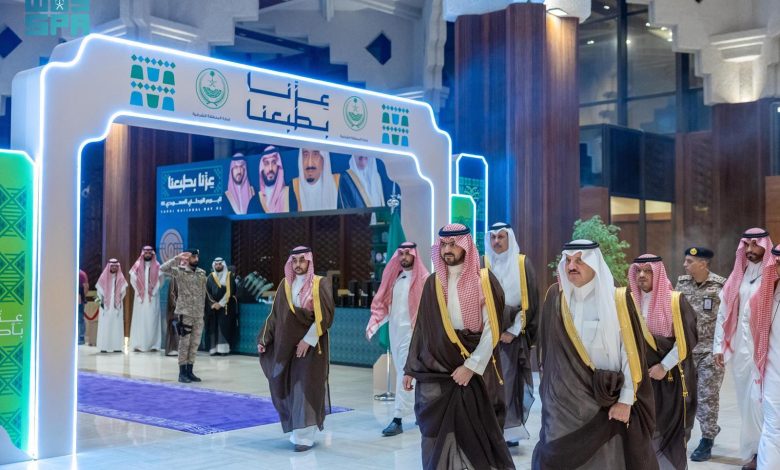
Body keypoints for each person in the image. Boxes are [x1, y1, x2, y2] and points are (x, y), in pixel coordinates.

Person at [533, 240, 656, 470]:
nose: (572, 266)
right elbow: (547, 353)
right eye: (568, 260)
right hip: (562, 405)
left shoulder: (618, 300)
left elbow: (630, 354)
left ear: (595, 263)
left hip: (604, 400)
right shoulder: (556, 298)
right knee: (555, 456)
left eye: (580, 260)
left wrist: (626, 400)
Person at [402, 224, 513, 470]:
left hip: (474, 367)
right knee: (435, 430)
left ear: (466, 245)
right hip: (439, 368)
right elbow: (423, 329)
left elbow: (492, 330)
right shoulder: (433, 283)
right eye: (443, 245)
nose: (447, 250)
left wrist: (471, 366)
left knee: (473, 431)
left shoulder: (484, 280)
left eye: (453, 244)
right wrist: (411, 367)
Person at [257, 247, 335, 452]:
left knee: (306, 386)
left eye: (302, 260)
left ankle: (305, 437)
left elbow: (325, 316)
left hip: (312, 347)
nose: (298, 264)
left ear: (309, 261)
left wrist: (307, 340)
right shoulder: (285, 284)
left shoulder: (320, 283)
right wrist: (264, 338)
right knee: (291, 387)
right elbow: (275, 316)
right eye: (294, 261)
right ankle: (298, 431)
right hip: (287, 346)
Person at [629, 254, 698, 470]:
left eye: (647, 270)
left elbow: (687, 339)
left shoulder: (675, 300)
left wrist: (664, 366)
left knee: (666, 427)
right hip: (637, 378)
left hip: (668, 378)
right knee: (640, 428)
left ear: (658, 273)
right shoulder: (629, 302)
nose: (641, 275)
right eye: (638, 271)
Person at [713, 228, 774, 469]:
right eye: (746, 245)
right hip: (740, 348)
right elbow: (723, 311)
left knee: (761, 404)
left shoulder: (773, 274)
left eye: (755, 245)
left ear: (765, 246)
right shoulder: (739, 275)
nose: (750, 250)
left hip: (767, 348)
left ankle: (765, 454)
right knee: (745, 404)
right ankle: (752, 453)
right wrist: (718, 345)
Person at [483, 222, 539, 446]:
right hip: (485, 337)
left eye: (501, 237)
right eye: (493, 237)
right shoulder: (484, 263)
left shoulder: (522, 263)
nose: (496, 241)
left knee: (507, 384)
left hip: (510, 337)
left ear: (510, 239)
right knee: (486, 385)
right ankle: (488, 431)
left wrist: (513, 331)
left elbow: (530, 302)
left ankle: (506, 431)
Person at [365, 242, 429, 436]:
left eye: (407, 253)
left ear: (414, 256)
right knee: (408, 372)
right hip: (396, 334)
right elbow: (386, 306)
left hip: (414, 334)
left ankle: (398, 418)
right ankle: (421, 411)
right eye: (400, 254)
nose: (404, 257)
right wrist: (374, 324)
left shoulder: (424, 279)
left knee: (405, 372)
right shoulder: (396, 279)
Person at [675, 247, 726, 461]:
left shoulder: (720, 285)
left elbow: (727, 318)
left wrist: (721, 348)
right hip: (687, 351)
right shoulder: (682, 284)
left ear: (703, 264)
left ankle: (707, 439)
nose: (685, 265)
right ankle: (701, 429)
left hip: (710, 352)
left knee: (707, 397)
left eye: (689, 261)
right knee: (686, 398)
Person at [750, 244, 780, 468]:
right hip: (772, 370)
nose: (778, 267)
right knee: (772, 424)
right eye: (777, 262)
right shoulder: (770, 291)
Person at [160, 249, 208, 383]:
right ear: (188, 259)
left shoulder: (202, 273)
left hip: (198, 314)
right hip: (185, 313)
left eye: (197, 257)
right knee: (184, 344)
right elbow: (162, 268)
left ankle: (190, 371)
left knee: (195, 343)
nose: (196, 259)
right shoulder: (180, 271)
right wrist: (177, 258)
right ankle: (182, 373)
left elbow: (203, 293)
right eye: (193, 257)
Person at [289, 148, 363, 211]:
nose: (310, 163)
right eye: (305, 155)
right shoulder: (294, 186)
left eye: (315, 154)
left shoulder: (340, 181)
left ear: (324, 158)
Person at [128, 246, 162, 352]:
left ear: (152, 254)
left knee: (152, 320)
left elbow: (161, 280)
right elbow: (132, 280)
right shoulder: (137, 265)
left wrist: (154, 292)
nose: (147, 254)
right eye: (146, 252)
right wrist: (138, 293)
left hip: (153, 298)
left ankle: (153, 345)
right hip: (140, 299)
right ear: (143, 253)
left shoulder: (157, 265)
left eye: (149, 253)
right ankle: (138, 344)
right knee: (140, 320)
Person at [205, 257, 238, 356]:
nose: (218, 266)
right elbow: (207, 292)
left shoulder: (229, 275)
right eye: (216, 264)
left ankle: (223, 350)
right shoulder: (210, 277)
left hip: (226, 306)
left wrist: (220, 304)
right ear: (214, 265)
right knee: (213, 327)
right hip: (213, 307)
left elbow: (230, 291)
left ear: (223, 265)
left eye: (220, 264)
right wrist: (213, 303)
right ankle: (214, 349)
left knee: (223, 327)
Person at [96, 259, 127, 353]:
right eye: (112, 266)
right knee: (105, 325)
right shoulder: (103, 277)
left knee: (116, 326)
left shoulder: (121, 278)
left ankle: (117, 347)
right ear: (109, 266)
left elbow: (123, 292)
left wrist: (118, 301)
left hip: (117, 307)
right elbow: (99, 291)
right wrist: (102, 303)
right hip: (105, 307)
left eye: (116, 266)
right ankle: (104, 347)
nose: (114, 267)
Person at [257, 146, 289, 213]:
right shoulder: (256, 199)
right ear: (262, 168)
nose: (270, 169)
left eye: (274, 163)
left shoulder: (289, 194)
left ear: (279, 166)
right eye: (266, 164)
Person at [78, 269, 89, 345]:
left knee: (80, 317)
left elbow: (86, 287)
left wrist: (82, 298)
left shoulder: (81, 274)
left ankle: (81, 337)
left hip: (79, 298)